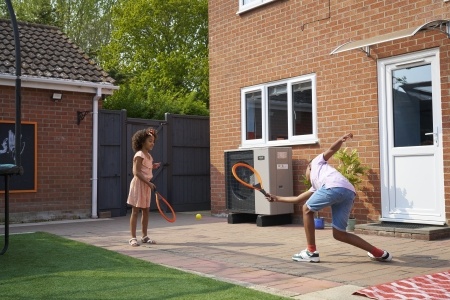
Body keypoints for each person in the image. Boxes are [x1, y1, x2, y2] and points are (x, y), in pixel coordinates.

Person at [266, 133, 392, 263]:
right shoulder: (316, 186)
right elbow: (298, 199)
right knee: (339, 234)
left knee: (307, 209)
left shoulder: (316, 162)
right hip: (348, 192)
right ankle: (379, 253)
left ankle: (311, 252)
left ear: (308, 167)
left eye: (305, 172)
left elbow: (331, 150)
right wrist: (276, 198)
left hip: (333, 187)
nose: (306, 176)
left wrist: (340, 140)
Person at [127, 127, 161, 247]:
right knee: (135, 211)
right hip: (139, 185)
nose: (152, 143)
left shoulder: (149, 156)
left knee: (146, 211)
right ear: (142, 142)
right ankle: (132, 238)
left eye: (153, 141)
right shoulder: (139, 154)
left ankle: (144, 236)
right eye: (150, 141)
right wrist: (148, 183)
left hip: (146, 186)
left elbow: (145, 168)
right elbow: (136, 172)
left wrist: (153, 166)